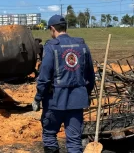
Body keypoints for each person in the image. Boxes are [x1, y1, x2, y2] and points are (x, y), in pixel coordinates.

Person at [32, 15, 95, 153]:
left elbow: (44, 77)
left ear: (52, 28)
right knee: (74, 141)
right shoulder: (82, 45)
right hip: (77, 101)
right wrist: (87, 93)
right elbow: (90, 74)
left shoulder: (51, 47)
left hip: (55, 101)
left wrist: (38, 98)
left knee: (49, 135)